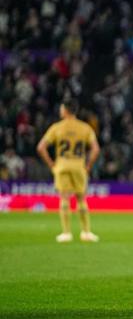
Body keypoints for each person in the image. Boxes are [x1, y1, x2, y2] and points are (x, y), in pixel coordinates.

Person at [36, 99, 100, 243]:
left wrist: (52, 164)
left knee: (64, 198)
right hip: (79, 166)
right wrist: (88, 165)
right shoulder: (85, 128)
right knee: (81, 199)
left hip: (62, 165)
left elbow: (41, 147)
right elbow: (96, 149)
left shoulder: (57, 127)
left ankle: (66, 233)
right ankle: (86, 232)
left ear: (65, 110)